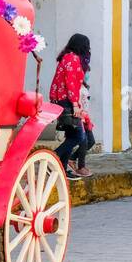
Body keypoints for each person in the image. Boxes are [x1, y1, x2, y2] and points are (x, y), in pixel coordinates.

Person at [49, 33, 96, 180]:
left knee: (71, 135)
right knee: (78, 136)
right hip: (67, 101)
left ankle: (62, 168)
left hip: (62, 99)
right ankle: (55, 157)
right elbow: (71, 83)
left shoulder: (66, 57)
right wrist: (75, 104)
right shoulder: (73, 58)